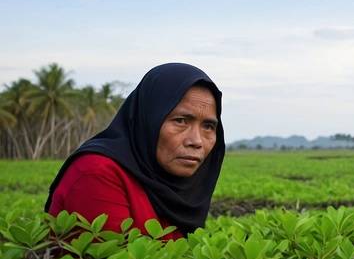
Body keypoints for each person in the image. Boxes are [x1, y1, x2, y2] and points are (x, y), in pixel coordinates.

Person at [45, 63, 225, 240]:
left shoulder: (183, 188)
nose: (196, 141)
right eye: (180, 120)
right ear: (147, 121)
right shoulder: (96, 173)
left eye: (208, 126)